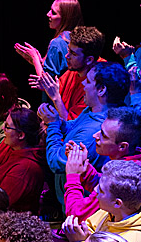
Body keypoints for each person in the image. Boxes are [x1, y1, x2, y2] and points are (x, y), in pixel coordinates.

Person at [43, 62, 130, 207]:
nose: (83, 83)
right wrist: (58, 121)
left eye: (89, 81)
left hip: (80, 208)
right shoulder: (93, 110)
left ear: (101, 90)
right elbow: (74, 126)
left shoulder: (94, 132)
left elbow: (55, 161)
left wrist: (52, 125)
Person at [62, 107, 141, 223]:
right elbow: (101, 184)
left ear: (122, 146)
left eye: (103, 135)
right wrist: (83, 166)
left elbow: (76, 216)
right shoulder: (131, 161)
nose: (95, 136)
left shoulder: (124, 176)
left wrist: (72, 177)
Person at [0, 107, 48, 213]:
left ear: (20, 135)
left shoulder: (26, 169)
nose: (3, 129)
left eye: (7, 126)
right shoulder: (9, 145)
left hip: (10, 224)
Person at [34, 26, 106, 122]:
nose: (67, 56)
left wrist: (55, 97)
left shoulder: (97, 83)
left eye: (73, 54)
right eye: (68, 50)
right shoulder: (76, 69)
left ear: (89, 59)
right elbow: (59, 87)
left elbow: (71, 126)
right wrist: (47, 86)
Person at [14, 0, 84, 80]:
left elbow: (47, 83)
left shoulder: (58, 43)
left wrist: (34, 58)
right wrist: (41, 62)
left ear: (66, 18)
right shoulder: (77, 40)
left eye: (54, 13)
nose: (48, 14)